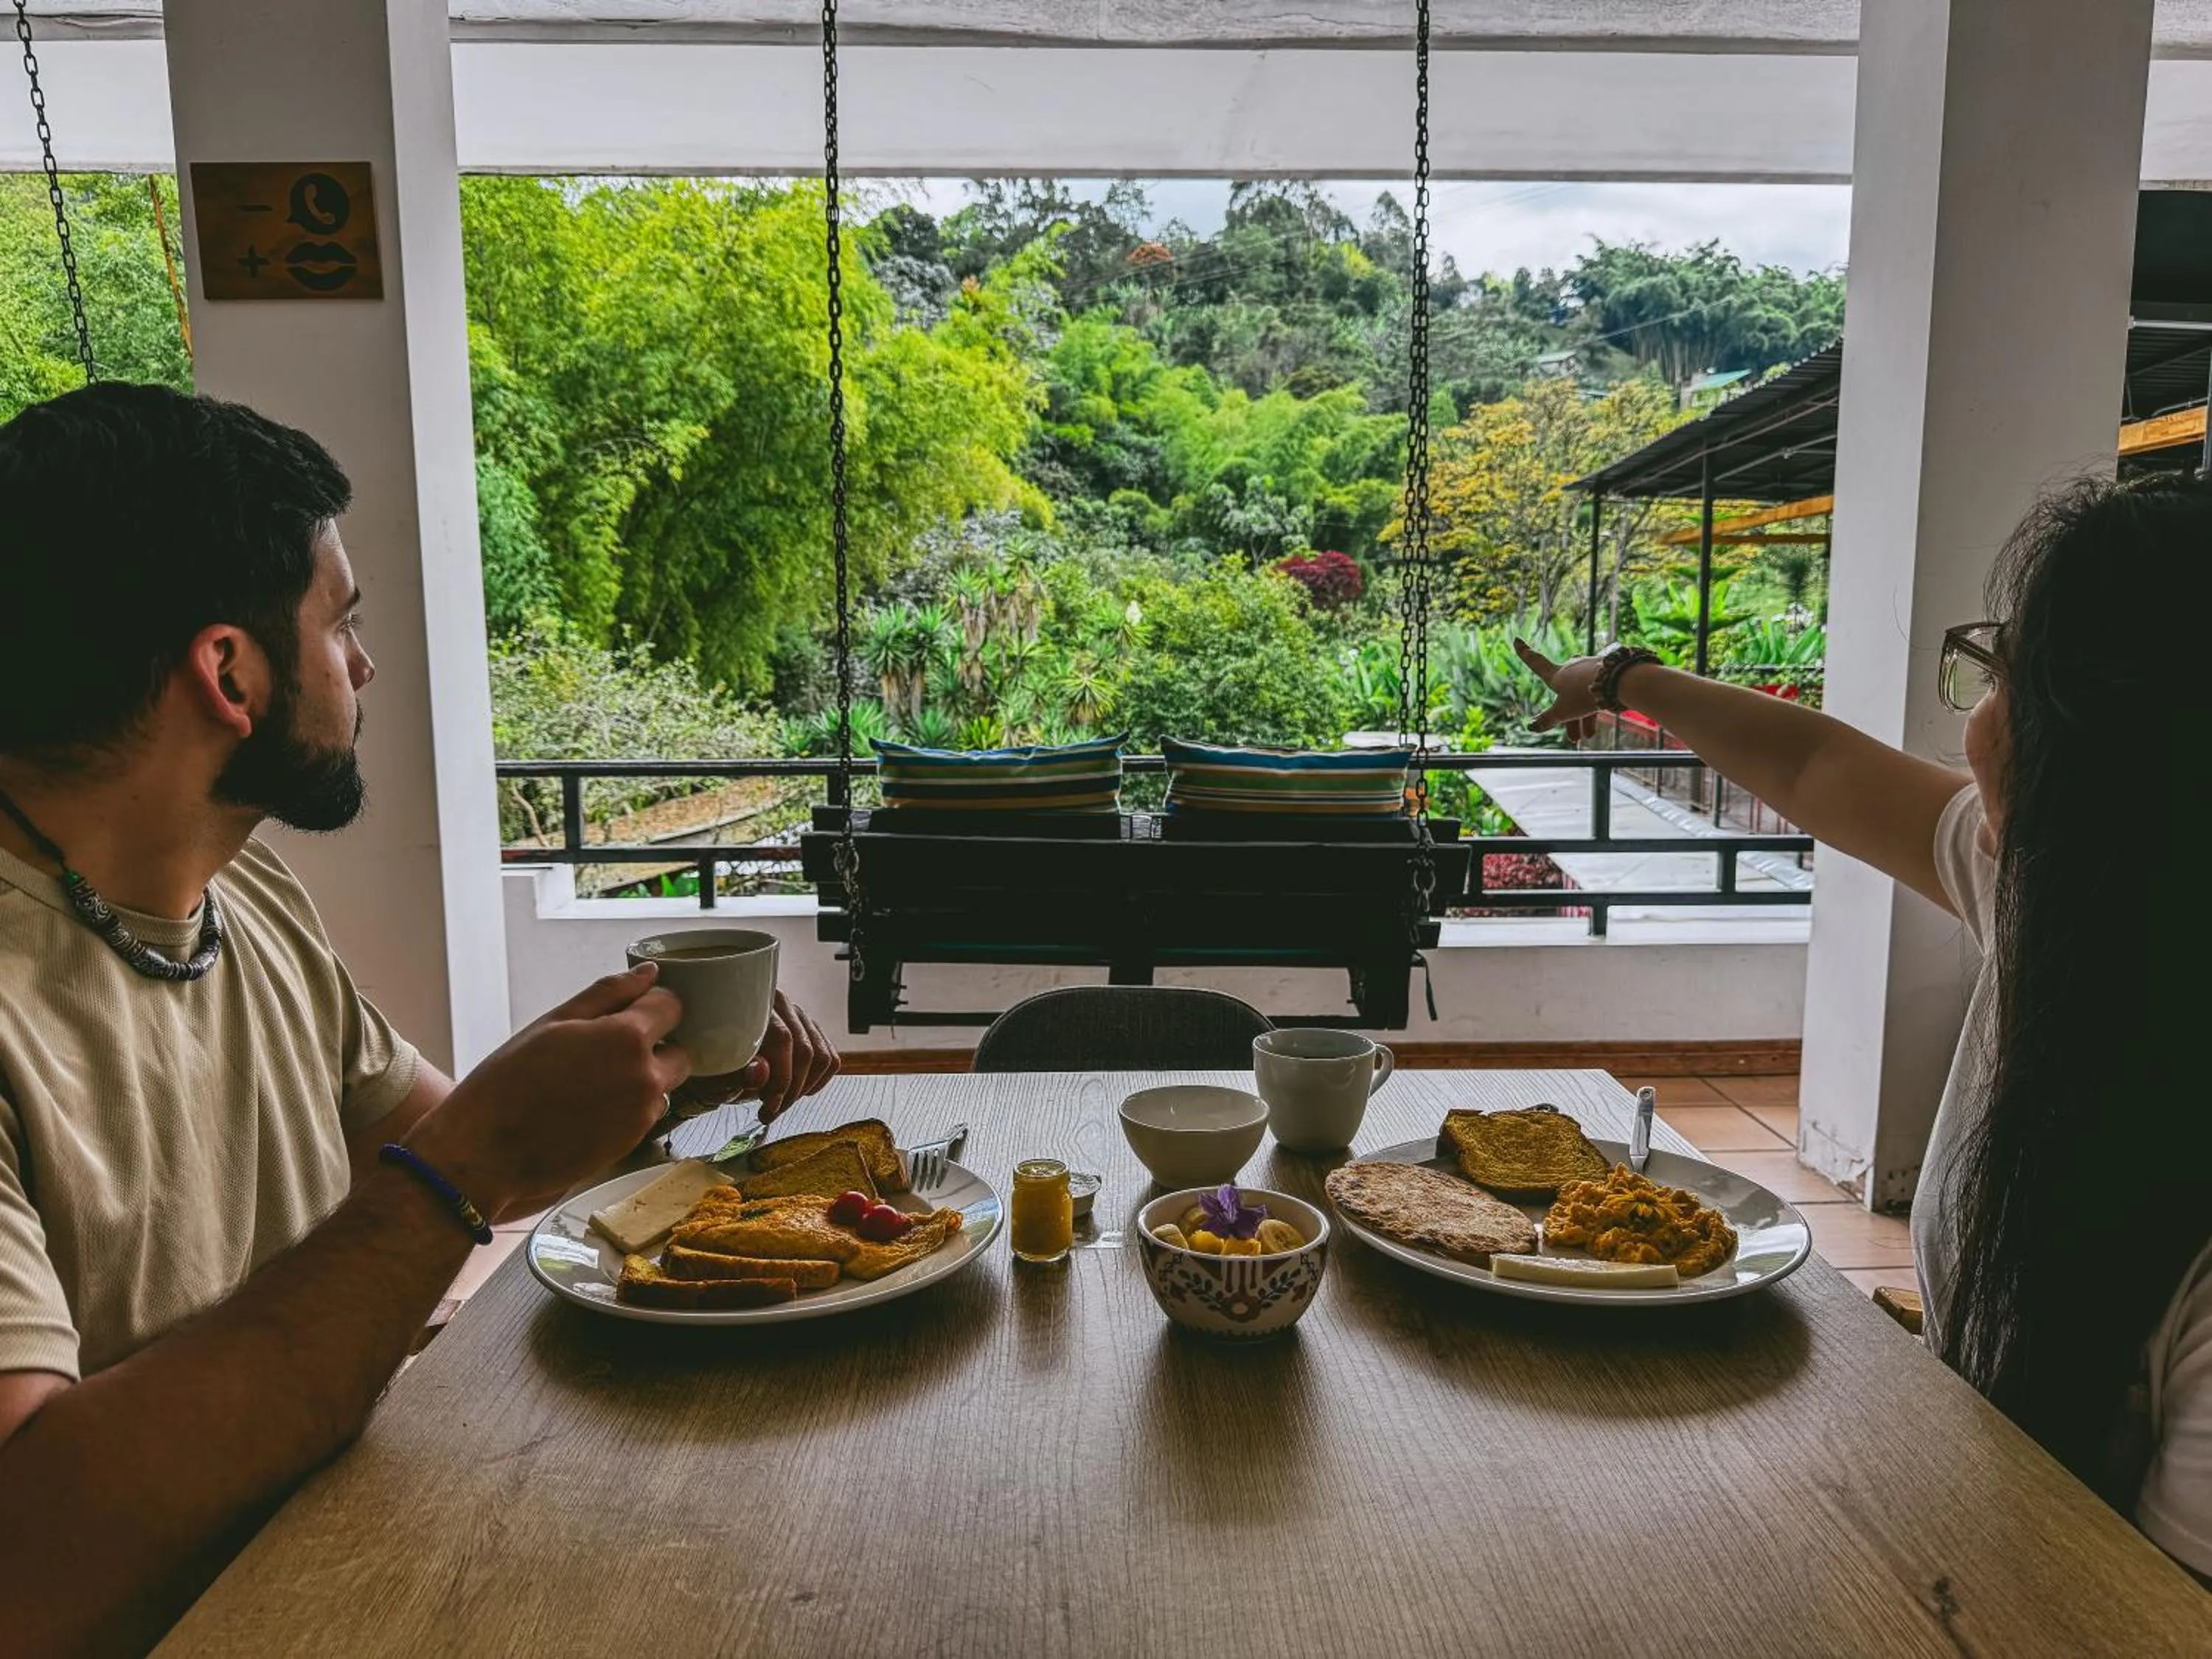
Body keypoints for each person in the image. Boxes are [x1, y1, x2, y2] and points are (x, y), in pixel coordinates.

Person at [0, 383, 842, 1652]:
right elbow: (34, 1553)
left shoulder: (249, 894)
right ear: (229, 670)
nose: (365, 665)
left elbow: (449, 1161)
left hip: (355, 1562)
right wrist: (471, 1161)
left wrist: (660, 1075)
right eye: (342, 624)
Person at [1517, 472, 2205, 1583]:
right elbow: (1815, 767)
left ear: (2117, 748)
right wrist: (1624, 680)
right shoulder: (2062, 904)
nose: (1974, 720)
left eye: (2004, 675)